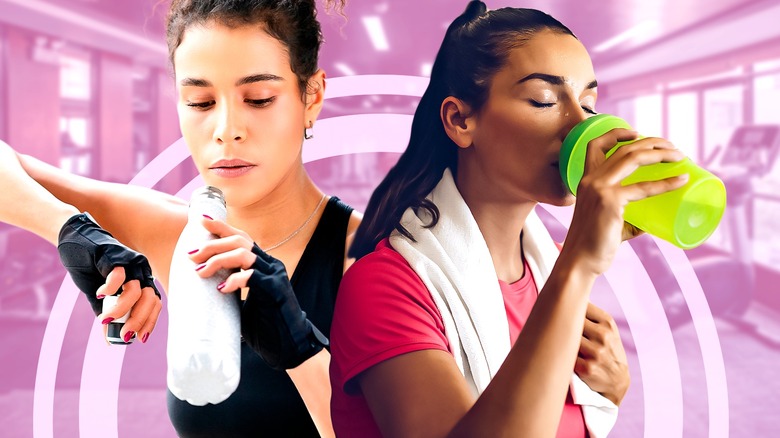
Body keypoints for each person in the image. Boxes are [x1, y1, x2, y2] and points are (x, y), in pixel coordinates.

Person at [0, 0, 359, 436]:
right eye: (201, 102)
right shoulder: (176, 234)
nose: (226, 130)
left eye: (259, 99)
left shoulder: (378, 257)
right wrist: (70, 229)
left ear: (312, 97)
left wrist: (300, 349)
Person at [330, 2, 688, 437]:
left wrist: (610, 392)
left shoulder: (548, 268)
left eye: (589, 104)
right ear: (460, 120)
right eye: (544, 100)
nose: (580, 126)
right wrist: (580, 265)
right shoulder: (384, 287)